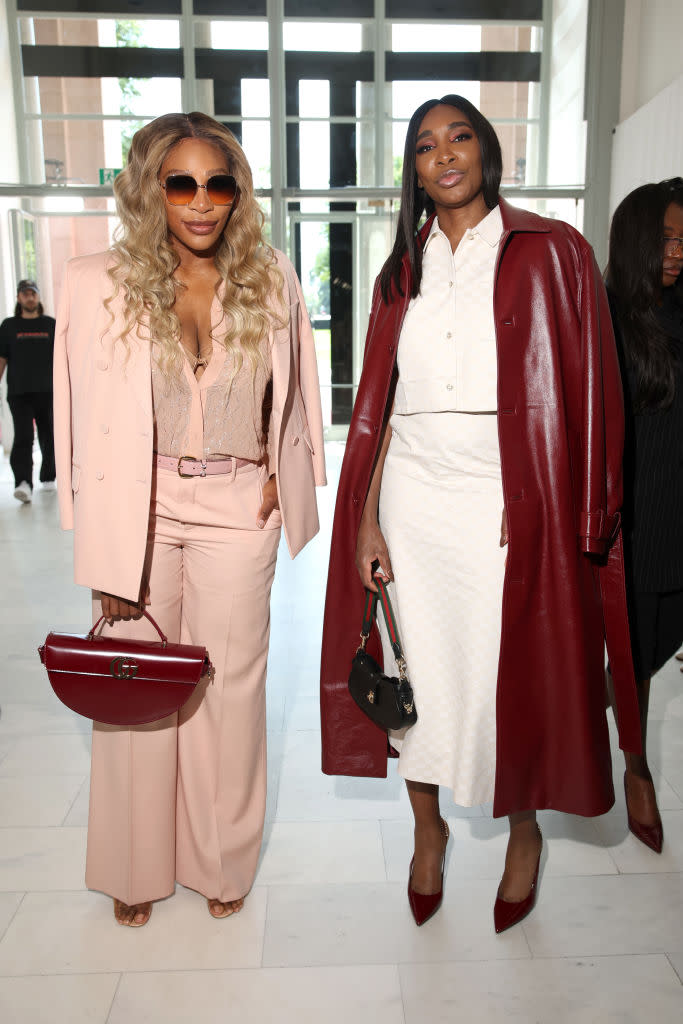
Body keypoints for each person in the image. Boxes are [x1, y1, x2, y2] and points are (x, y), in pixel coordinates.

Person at [320, 95, 641, 933]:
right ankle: (426, 832)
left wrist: (559, 500)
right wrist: (365, 519)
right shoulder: (401, 269)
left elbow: (594, 392)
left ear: (486, 149)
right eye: (425, 146)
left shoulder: (551, 251)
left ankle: (523, 834)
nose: (444, 155)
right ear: (414, 170)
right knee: (416, 678)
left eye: (459, 136)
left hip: (509, 495)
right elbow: (381, 409)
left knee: (509, 679)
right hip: (415, 498)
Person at [53, 112, 326, 927]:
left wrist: (284, 472)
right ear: (150, 190)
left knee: (230, 688)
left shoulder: (271, 276)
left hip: (240, 505)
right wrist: (99, 547)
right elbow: (77, 421)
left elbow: (300, 391)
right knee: (136, 686)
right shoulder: (93, 280)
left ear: (237, 195)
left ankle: (221, 858)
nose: (200, 202)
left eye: (218, 184)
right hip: (140, 506)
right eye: (181, 183)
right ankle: (136, 866)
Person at [605, 177, 683, 854]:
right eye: (663, 237)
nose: (676, 252)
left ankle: (605, 700)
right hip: (638, 518)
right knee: (636, 658)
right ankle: (636, 770)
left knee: (652, 652)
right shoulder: (602, 314)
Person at [0, 279, 56, 502]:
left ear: (38, 296)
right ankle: (23, 482)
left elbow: (62, 360)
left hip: (49, 392)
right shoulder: (8, 326)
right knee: (23, 437)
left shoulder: (50, 324)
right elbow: (2, 358)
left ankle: (49, 476)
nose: (29, 297)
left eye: (32, 293)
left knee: (50, 436)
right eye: (25, 294)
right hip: (19, 393)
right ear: (18, 298)